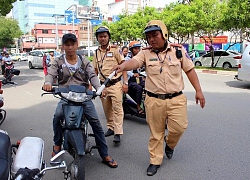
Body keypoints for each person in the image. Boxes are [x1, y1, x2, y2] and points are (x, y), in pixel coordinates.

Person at [112, 20, 205, 176]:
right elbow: (134, 62)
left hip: (176, 99)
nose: (151, 39)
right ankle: (155, 161)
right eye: (148, 37)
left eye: (155, 35)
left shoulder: (178, 50)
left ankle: (170, 144)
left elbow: (189, 71)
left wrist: (198, 91)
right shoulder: (145, 52)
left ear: (164, 33)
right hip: (154, 100)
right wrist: (123, 66)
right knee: (156, 133)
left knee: (179, 128)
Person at [42, 33, 118, 168]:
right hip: (65, 97)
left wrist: (99, 88)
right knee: (57, 117)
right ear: (63, 46)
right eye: (67, 45)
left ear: (77, 45)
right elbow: (50, 74)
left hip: (83, 98)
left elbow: (93, 76)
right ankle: (57, 144)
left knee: (96, 123)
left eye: (73, 44)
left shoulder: (84, 61)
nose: (70, 47)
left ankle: (104, 153)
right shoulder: (58, 61)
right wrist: (48, 83)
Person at [92, 26, 128, 143]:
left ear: (108, 37)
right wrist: (91, 84)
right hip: (103, 86)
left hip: (116, 84)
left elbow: (124, 66)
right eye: (100, 37)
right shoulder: (96, 53)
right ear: (97, 38)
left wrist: (125, 82)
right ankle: (111, 128)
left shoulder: (115, 50)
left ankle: (118, 132)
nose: (102, 39)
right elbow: (95, 71)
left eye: (105, 36)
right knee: (107, 109)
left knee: (117, 108)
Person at [125, 41, 145, 115]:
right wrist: (133, 74)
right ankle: (138, 106)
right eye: (135, 48)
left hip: (138, 79)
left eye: (138, 48)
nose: (137, 50)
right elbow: (125, 69)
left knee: (148, 86)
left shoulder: (140, 58)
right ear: (131, 49)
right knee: (139, 88)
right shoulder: (127, 59)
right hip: (129, 80)